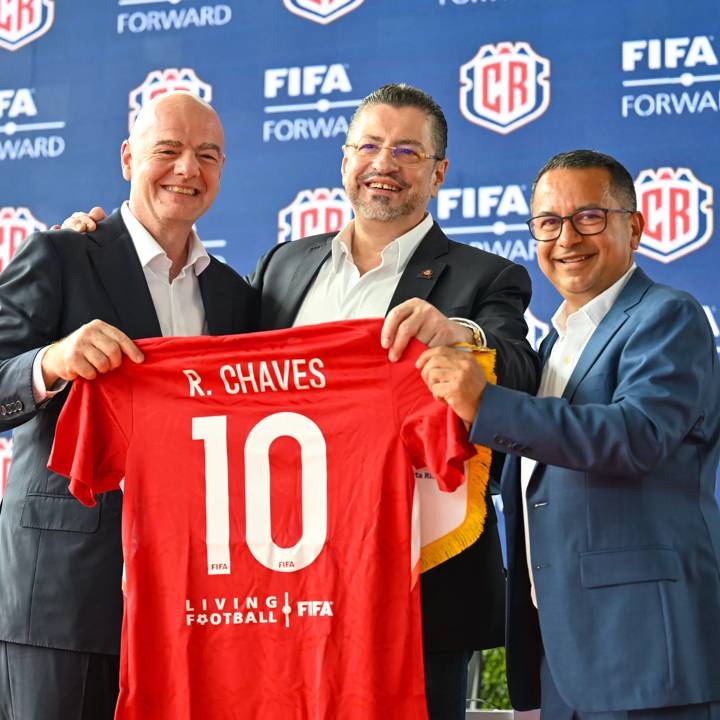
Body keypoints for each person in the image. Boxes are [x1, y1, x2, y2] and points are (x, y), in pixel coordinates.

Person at [62, 83, 540, 719]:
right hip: (285, 595)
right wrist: (100, 243)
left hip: (418, 587)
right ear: (344, 160)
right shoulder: (281, 269)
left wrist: (464, 336)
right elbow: (212, 388)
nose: (383, 165)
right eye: (368, 146)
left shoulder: (485, 276)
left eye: (406, 151)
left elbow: (521, 365)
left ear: (438, 172)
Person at [419, 149, 720, 719]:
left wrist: (485, 401)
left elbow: (637, 435)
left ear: (635, 227)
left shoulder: (668, 317)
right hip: (564, 659)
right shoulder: (554, 346)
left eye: (589, 217)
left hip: (648, 655)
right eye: (548, 223)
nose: (565, 239)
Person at [0, 92, 258, 719]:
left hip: (196, 594)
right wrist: (52, 362)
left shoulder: (233, 297)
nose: (186, 170)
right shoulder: (61, 253)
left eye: (207, 155)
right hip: (65, 593)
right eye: (167, 150)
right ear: (127, 158)